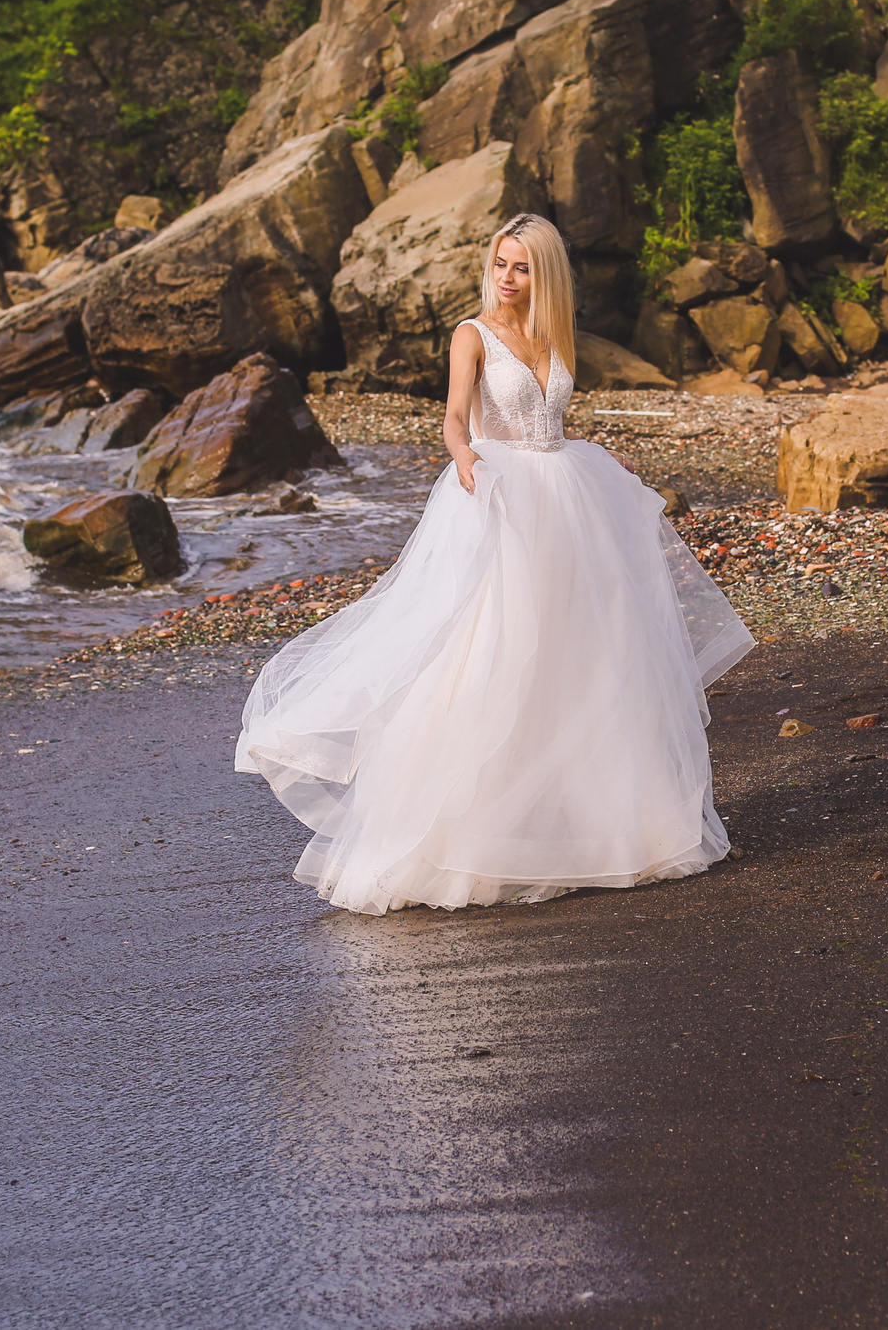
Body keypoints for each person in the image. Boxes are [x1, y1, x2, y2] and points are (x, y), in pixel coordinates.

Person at [233, 213, 754, 915]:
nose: (506, 278)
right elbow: (454, 416)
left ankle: (592, 823)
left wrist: (600, 456)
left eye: (522, 267)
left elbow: (552, 420)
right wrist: (463, 456)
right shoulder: (471, 334)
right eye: (500, 264)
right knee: (492, 654)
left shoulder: (552, 335)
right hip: (499, 494)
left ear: (545, 275)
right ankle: (469, 835)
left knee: (585, 657)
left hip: (567, 496)